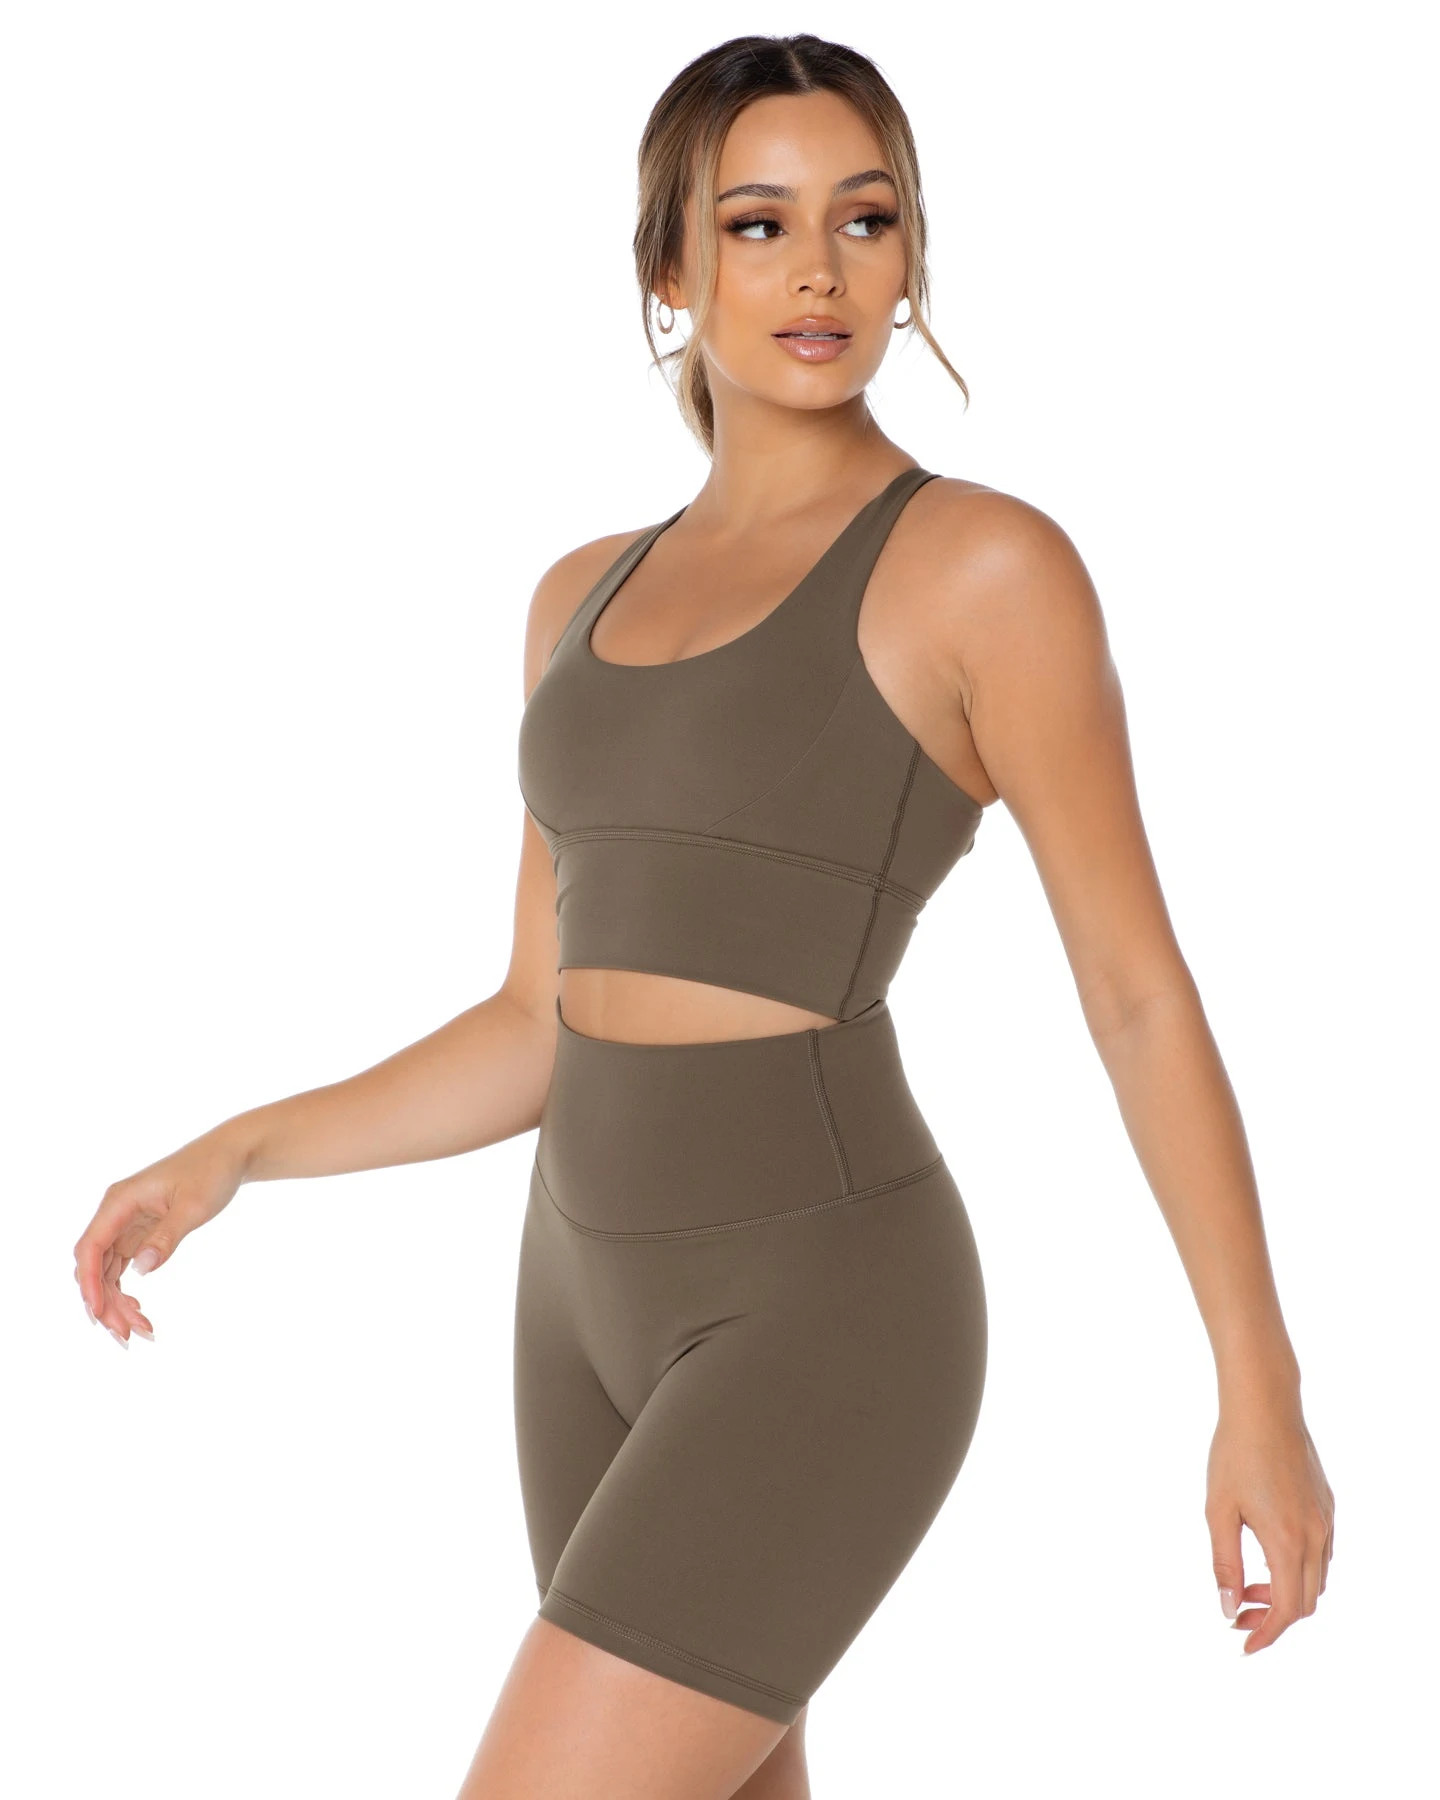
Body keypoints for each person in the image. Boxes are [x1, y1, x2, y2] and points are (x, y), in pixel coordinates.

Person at [72, 32, 1335, 1800]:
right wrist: (236, 1153)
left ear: (910, 255)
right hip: (573, 1301)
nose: (819, 270)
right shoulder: (575, 600)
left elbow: (1136, 996)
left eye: (865, 219)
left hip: (825, 1306)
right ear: (669, 268)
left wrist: (1257, 1383)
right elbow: (537, 1018)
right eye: (757, 224)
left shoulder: (985, 569)